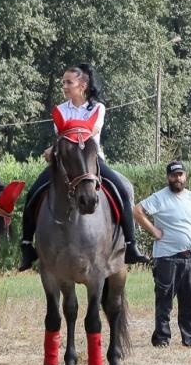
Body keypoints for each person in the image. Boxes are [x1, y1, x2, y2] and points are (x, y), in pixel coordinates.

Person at [18, 63, 149, 270]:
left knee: (122, 191)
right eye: (63, 83)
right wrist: (54, 149)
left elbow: (88, 135)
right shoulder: (59, 110)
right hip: (65, 163)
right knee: (33, 193)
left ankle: (131, 245)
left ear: (83, 85)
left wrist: (53, 147)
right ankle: (26, 245)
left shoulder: (98, 108)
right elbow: (63, 138)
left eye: (69, 82)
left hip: (91, 160)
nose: (64, 86)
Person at [134, 161, 191, 348]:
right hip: (166, 258)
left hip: (189, 258)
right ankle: (162, 340)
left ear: (185, 176)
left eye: (180, 174)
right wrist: (154, 231)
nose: (178, 178)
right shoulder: (159, 198)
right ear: (168, 177)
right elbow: (137, 211)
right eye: (174, 175)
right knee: (164, 301)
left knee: (189, 302)